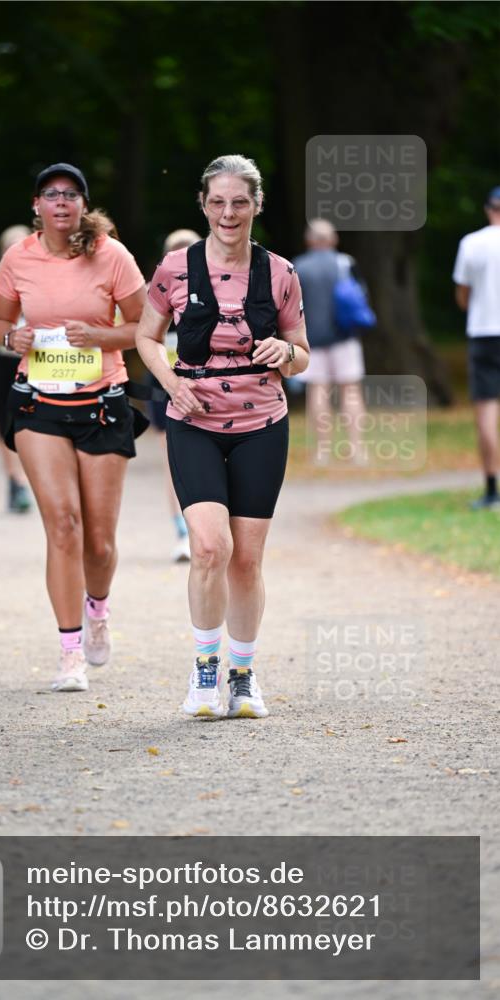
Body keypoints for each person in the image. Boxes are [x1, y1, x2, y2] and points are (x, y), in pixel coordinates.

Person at [136, 154, 309, 719]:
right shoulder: (174, 268)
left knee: (246, 560)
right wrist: (169, 385)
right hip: (194, 422)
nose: (228, 212)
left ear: (256, 205)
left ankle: (243, 674)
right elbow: (145, 336)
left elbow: (302, 353)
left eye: (239, 202)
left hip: (263, 424)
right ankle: (205, 670)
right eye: (217, 202)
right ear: (203, 205)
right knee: (211, 547)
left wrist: (286, 352)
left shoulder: (280, 272)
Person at [0, 162, 146, 692]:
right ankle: (70, 652)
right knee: (63, 526)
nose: (61, 202)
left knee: (98, 544)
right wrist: (13, 339)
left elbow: (146, 328)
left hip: (103, 402)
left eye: (71, 194)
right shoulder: (19, 258)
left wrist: (99, 338)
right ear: (36, 205)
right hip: (39, 405)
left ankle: (98, 608)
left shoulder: (112, 255)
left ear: (82, 204)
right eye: (51, 194)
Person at [145, 229, 202, 562]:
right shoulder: (155, 290)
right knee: (174, 461)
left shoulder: (222, 288)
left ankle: (206, 531)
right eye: (176, 253)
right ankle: (182, 532)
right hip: (165, 383)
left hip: (209, 386)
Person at [294, 219, 367, 465]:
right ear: (333, 240)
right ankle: (357, 450)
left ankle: (323, 452)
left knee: (318, 391)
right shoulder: (345, 262)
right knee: (351, 391)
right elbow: (361, 296)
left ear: (309, 241)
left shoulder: (298, 267)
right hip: (345, 336)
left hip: (312, 339)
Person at [453, 186, 500, 511]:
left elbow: (463, 296)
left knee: (486, 413)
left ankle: (492, 489)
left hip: (483, 332)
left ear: (488, 209)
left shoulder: (471, 243)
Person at [0, 225, 33, 513]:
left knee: (31, 423)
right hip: (1, 361)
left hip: (37, 360)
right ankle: (15, 481)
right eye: (11, 246)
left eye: (22, 244)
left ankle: (27, 481)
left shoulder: (46, 278)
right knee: (5, 425)